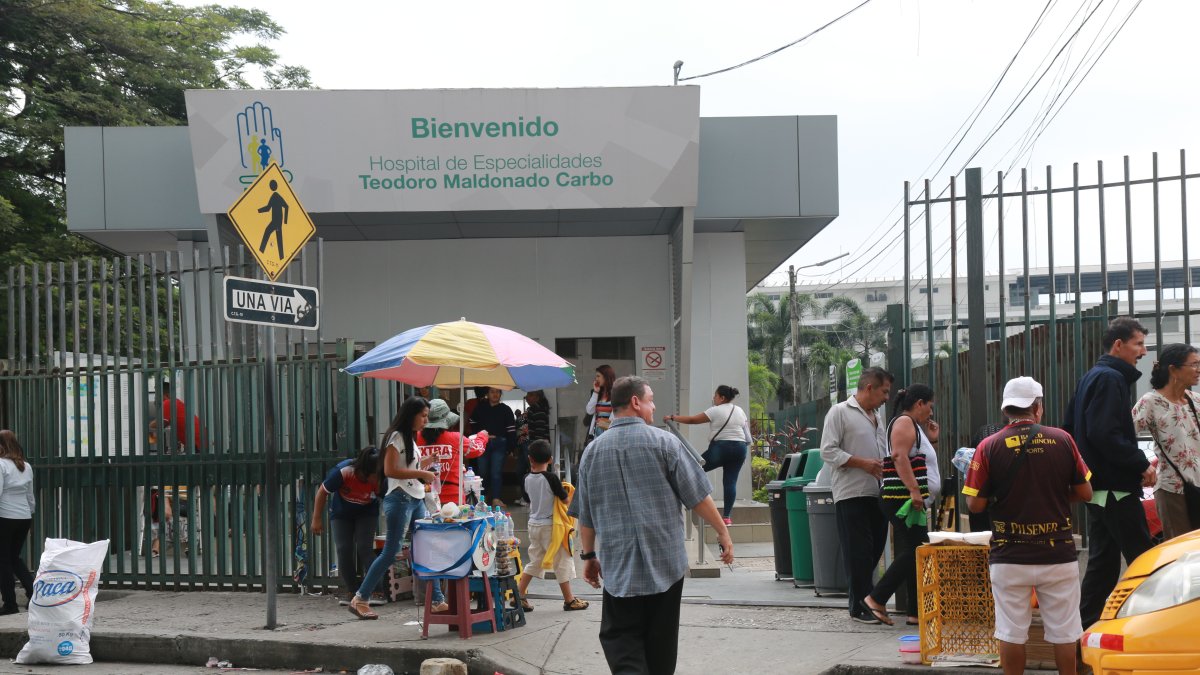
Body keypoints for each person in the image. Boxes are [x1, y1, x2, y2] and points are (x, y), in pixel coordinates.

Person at [575, 376, 733, 674]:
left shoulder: (591, 454)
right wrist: (722, 532)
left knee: (621, 638)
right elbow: (698, 496)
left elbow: (586, 514)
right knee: (661, 641)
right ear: (635, 402)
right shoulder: (665, 443)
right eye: (650, 399)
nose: (654, 405)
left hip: (618, 566)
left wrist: (588, 557)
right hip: (665, 564)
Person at [963, 377, 1093, 675]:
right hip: (1057, 553)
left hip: (1009, 555)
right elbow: (1085, 493)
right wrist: (1054, 494)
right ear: (1037, 407)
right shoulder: (1062, 439)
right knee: (1065, 630)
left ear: (1007, 409)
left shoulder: (988, 446)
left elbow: (975, 505)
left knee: (1011, 631)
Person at [1064, 316, 1156, 628]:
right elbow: (1105, 434)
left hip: (1100, 487)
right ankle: (1155, 623)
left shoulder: (1093, 376)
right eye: (1138, 344)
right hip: (1114, 487)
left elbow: (1070, 429)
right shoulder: (1109, 379)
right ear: (1119, 345)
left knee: (1103, 563)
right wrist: (1140, 463)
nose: (1142, 352)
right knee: (1144, 558)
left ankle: (1082, 631)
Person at [348, 397, 446, 620]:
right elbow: (390, 470)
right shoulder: (396, 437)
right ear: (410, 415)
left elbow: (407, 467)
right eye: (423, 416)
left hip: (415, 498)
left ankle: (438, 599)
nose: (425, 420)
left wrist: (426, 462)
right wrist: (422, 473)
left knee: (425, 548)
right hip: (401, 500)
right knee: (391, 552)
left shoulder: (409, 439)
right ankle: (360, 598)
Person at [819, 366, 893, 624]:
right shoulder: (840, 412)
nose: (886, 397)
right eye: (884, 391)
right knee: (858, 552)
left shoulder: (877, 416)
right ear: (869, 387)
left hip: (877, 492)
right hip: (851, 493)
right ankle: (858, 606)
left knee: (873, 551)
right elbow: (827, 451)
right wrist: (863, 463)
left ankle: (867, 600)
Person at [862, 384, 939, 627]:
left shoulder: (911, 425)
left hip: (905, 500)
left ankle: (915, 613)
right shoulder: (904, 422)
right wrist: (915, 491)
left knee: (918, 550)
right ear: (919, 404)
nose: (931, 412)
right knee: (917, 550)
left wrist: (932, 440)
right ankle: (876, 598)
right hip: (901, 499)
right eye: (930, 406)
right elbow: (898, 456)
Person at [1133, 343, 1200, 540]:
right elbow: (1125, 435)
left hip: (1197, 485)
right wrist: (1141, 465)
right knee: (1180, 552)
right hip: (1172, 489)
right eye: (1194, 364)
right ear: (1173, 369)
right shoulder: (1151, 402)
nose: (1198, 370)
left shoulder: (1195, 400)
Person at [516, 439, 589, 612]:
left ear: (529, 459)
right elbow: (565, 499)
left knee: (535, 561)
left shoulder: (526, 479)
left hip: (534, 525)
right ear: (550, 459)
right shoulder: (551, 478)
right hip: (552, 527)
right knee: (563, 560)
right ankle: (569, 600)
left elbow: (526, 500)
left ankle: (519, 596)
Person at [665, 384, 752, 525]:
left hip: (721, 448)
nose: (713, 398)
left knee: (693, 468)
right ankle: (727, 517)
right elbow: (746, 433)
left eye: (715, 395)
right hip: (740, 448)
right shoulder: (740, 410)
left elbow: (693, 420)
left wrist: (673, 417)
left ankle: (685, 501)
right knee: (730, 482)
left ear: (722, 398)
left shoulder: (715, 411)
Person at [312, 446, 386, 607]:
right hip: (341, 513)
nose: (378, 479)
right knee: (343, 549)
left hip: (367, 512)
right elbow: (322, 492)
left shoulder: (381, 479)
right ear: (366, 473)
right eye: (376, 475)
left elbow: (387, 498)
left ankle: (378, 591)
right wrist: (316, 518)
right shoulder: (343, 471)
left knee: (365, 548)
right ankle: (352, 591)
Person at [416, 398, 488, 506]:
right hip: (453, 499)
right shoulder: (456, 438)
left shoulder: (414, 438)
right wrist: (482, 436)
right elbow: (477, 450)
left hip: (423, 499)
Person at [0, 430, 34, 615]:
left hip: (5, 517)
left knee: (3, 561)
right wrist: (31, 515)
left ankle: (10, 604)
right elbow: (30, 496)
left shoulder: (1, 465)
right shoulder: (26, 466)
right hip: (23, 517)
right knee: (14, 558)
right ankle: (33, 594)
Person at [469, 388, 518, 507]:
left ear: (501, 394)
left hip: (500, 443)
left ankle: (496, 498)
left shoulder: (506, 409)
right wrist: (478, 436)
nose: (495, 394)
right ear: (487, 394)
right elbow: (472, 422)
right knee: (482, 472)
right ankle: (483, 497)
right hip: (483, 443)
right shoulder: (480, 408)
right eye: (492, 392)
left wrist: (510, 448)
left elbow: (511, 430)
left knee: (496, 472)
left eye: (498, 392)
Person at [515, 390, 551, 507]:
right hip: (529, 445)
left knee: (529, 471)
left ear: (537, 397)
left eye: (530, 395)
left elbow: (540, 433)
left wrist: (536, 449)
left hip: (534, 446)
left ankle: (529, 498)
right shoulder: (533, 410)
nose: (526, 397)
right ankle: (527, 497)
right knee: (521, 471)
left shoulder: (539, 411)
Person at [585, 364, 615, 442]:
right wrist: (595, 392)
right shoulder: (596, 393)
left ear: (606, 377)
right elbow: (589, 410)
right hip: (596, 434)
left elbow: (618, 416)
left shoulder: (616, 393)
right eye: (596, 376)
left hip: (610, 434)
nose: (596, 379)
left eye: (598, 376)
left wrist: (604, 424)